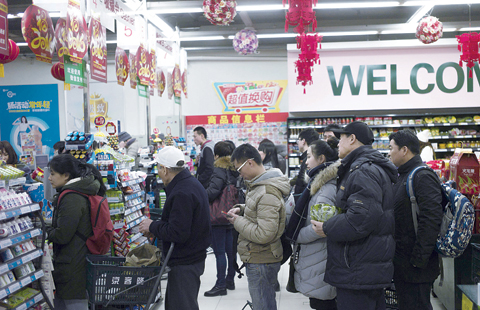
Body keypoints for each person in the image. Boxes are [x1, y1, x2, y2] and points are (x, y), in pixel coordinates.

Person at [311, 121, 397, 310]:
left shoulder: (363, 171)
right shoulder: (366, 167)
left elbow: (360, 220)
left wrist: (326, 227)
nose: (338, 143)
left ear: (352, 139)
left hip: (358, 269)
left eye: (340, 138)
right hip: (367, 265)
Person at [138, 146, 211, 310]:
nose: (158, 172)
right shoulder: (190, 184)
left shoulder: (181, 192)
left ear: (164, 169)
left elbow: (178, 232)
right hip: (191, 258)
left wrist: (153, 225)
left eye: (158, 168)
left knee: (182, 305)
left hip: (185, 262)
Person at [227, 143, 290, 310]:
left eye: (239, 169)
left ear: (250, 162)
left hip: (262, 258)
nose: (239, 175)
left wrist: (237, 222)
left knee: (263, 305)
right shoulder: (259, 185)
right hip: (259, 256)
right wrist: (242, 209)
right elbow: (260, 212)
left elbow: (264, 234)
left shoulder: (267, 191)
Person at [388, 130, 443, 310]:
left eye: (391, 148)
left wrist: (418, 260)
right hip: (405, 264)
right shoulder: (403, 175)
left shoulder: (422, 176)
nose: (389, 153)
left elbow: (431, 219)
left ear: (404, 150)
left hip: (416, 267)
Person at [46, 154, 106, 310]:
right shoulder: (79, 191)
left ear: (66, 175)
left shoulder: (72, 197)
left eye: (53, 174)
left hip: (72, 265)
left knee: (74, 303)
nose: (49, 178)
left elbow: (62, 235)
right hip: (77, 259)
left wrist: (43, 230)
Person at [286, 138, 340, 310]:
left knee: (323, 304)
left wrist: (296, 236)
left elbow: (319, 228)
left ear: (321, 159)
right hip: (317, 259)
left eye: (309, 157)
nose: (305, 162)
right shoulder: (318, 184)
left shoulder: (324, 189)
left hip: (320, 259)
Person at [204, 142, 239, 297]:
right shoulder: (235, 169)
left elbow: (212, 192)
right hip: (232, 214)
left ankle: (220, 285)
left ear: (216, 155)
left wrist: (200, 194)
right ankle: (230, 280)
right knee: (230, 251)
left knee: (219, 252)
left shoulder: (219, 169)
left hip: (218, 216)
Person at [292, 128, 320, 203]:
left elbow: (303, 184)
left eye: (298, 140)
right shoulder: (315, 158)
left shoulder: (307, 161)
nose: (298, 143)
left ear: (303, 141)